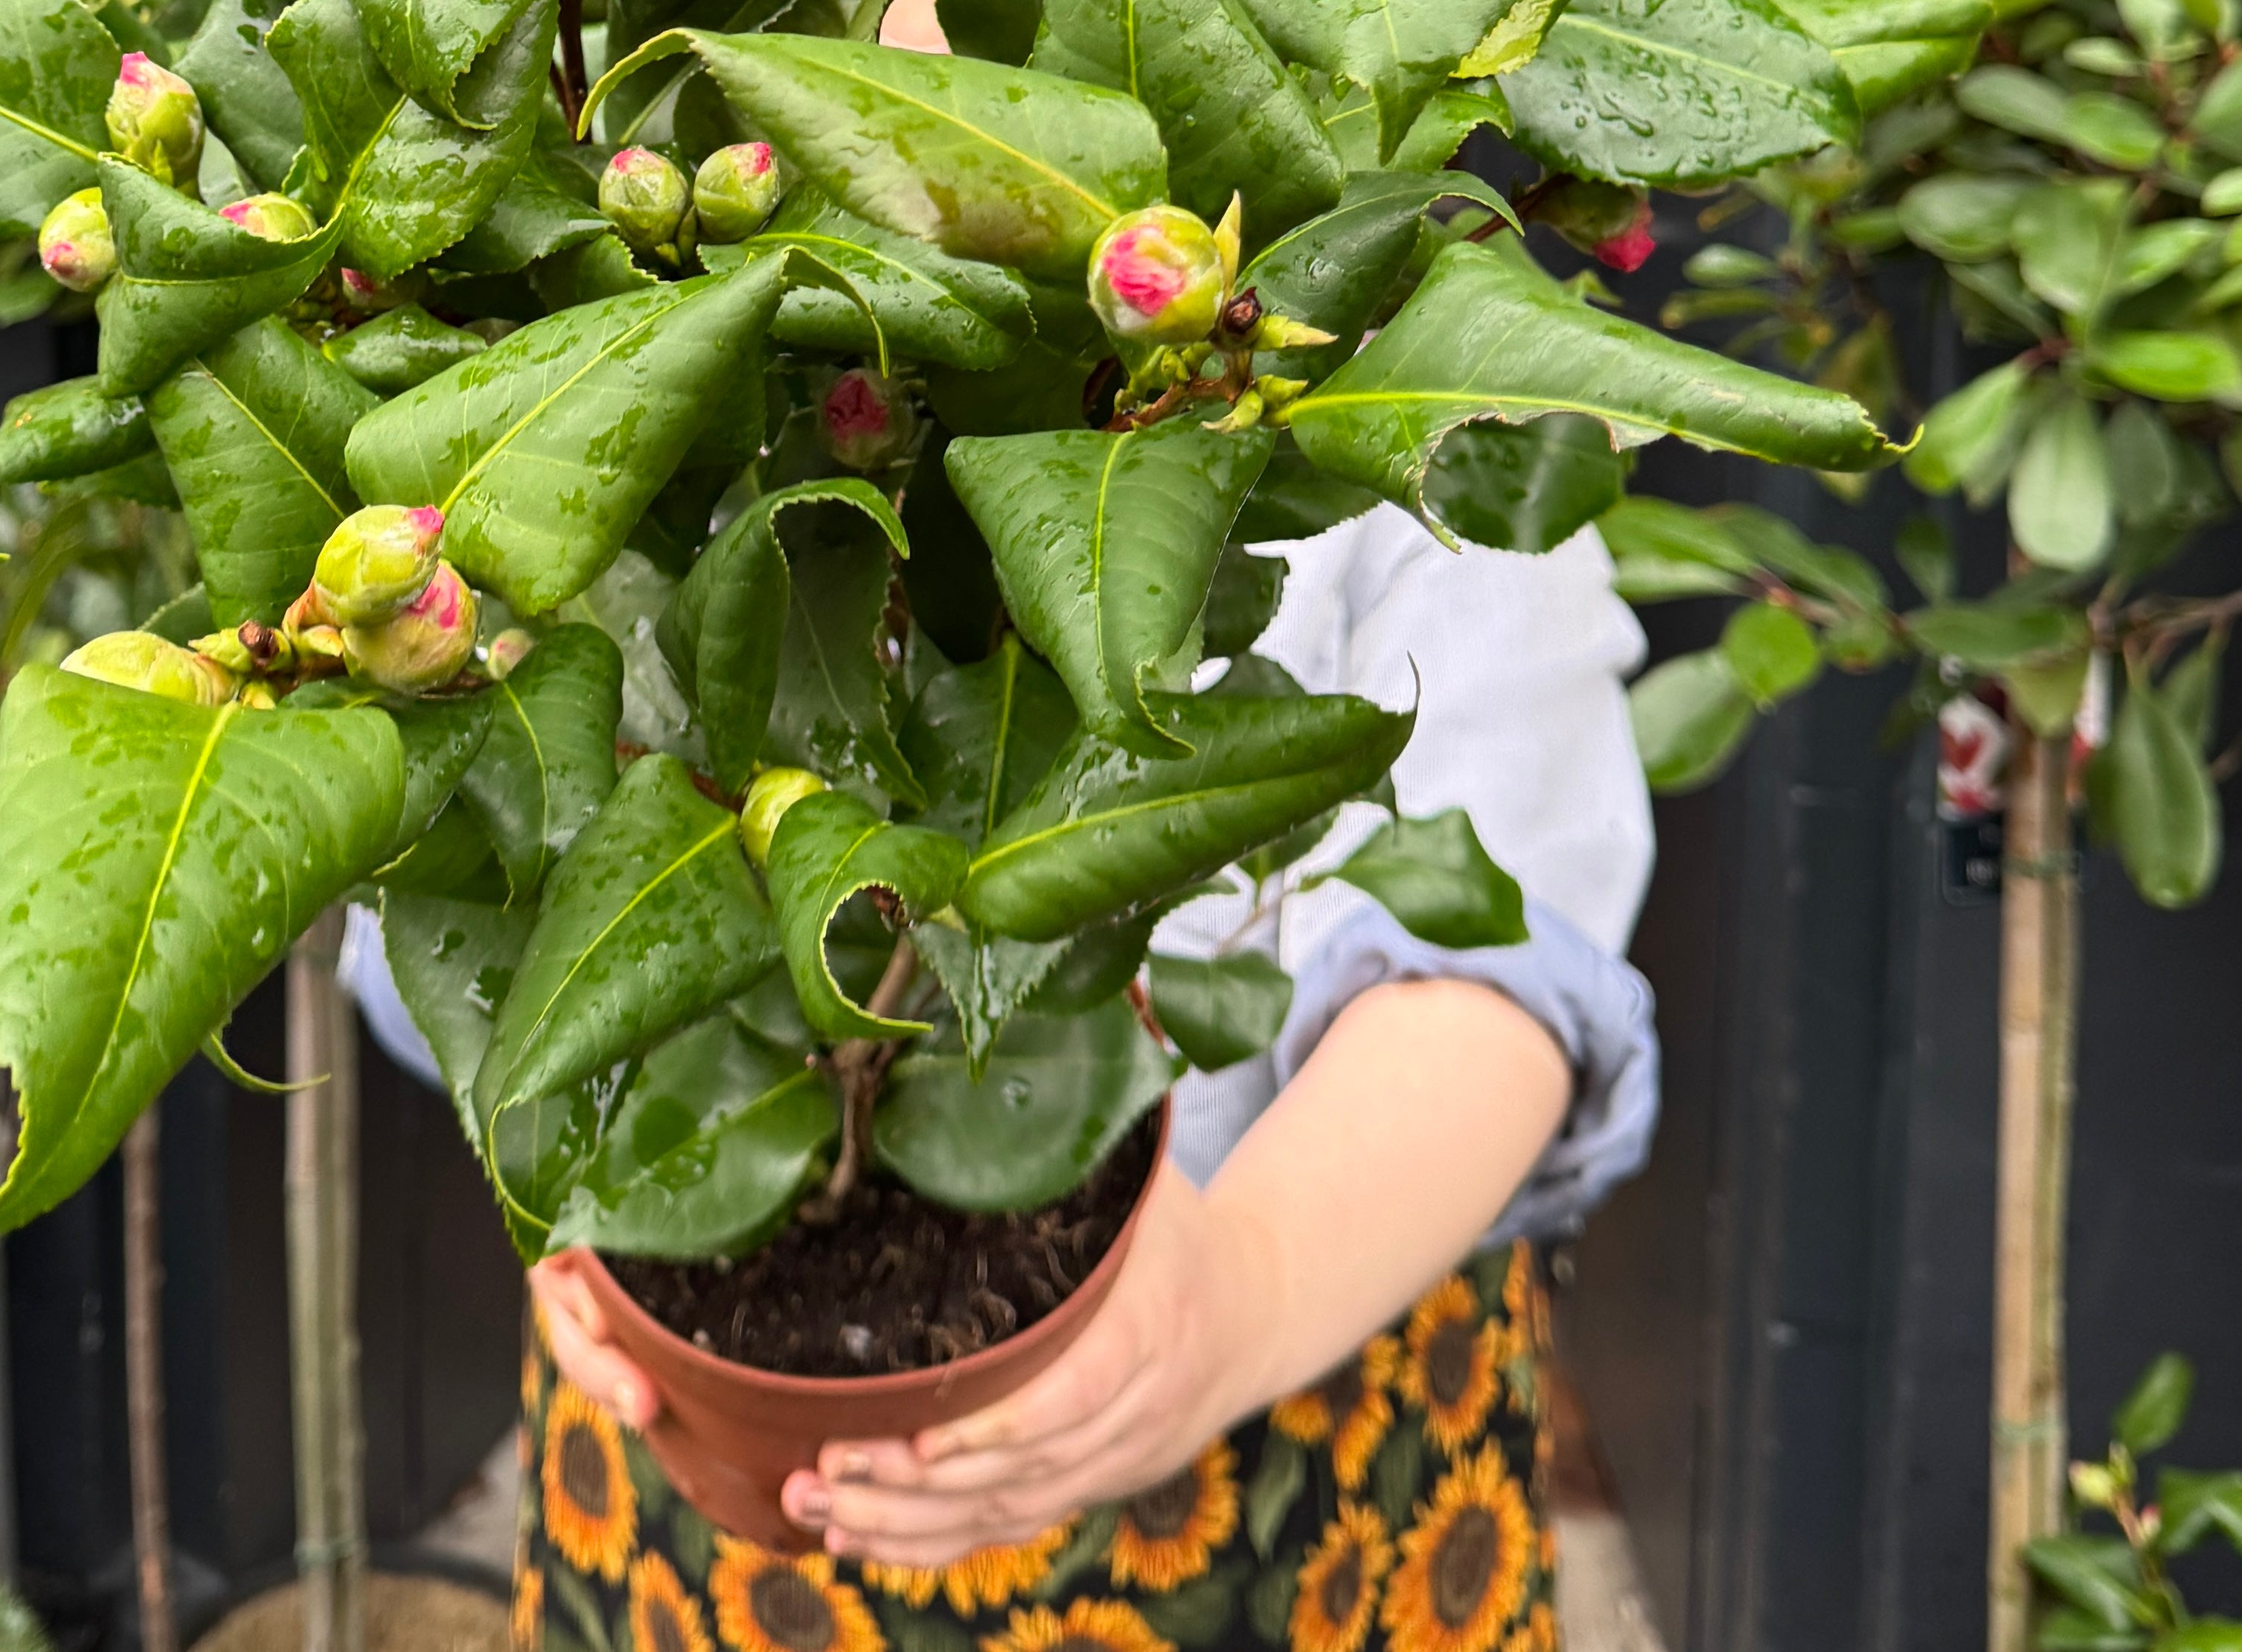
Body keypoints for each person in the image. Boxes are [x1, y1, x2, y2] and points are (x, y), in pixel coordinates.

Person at [344, 501, 1658, 1652]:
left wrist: (1246, 1298)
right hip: (701, 1493)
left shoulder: (1391, 354)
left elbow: (1499, 953)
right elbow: (479, 922)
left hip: (1298, 1422)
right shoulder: (591, 350)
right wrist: (551, 1176)